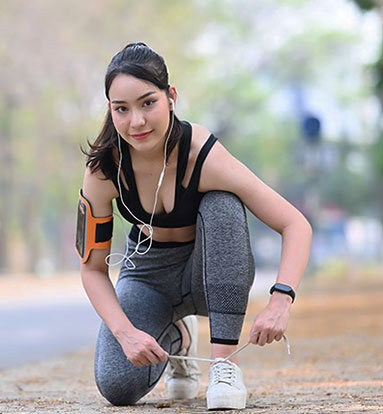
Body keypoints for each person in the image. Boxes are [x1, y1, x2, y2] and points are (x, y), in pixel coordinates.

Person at [76, 42, 312, 410]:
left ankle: (224, 366)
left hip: (209, 271)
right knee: (117, 387)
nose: (136, 121)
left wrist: (281, 299)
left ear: (170, 96)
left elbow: (294, 223)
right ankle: (179, 339)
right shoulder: (103, 170)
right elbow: (91, 269)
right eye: (122, 109)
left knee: (223, 204)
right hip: (147, 277)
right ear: (110, 109)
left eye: (147, 103)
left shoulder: (202, 154)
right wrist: (126, 334)